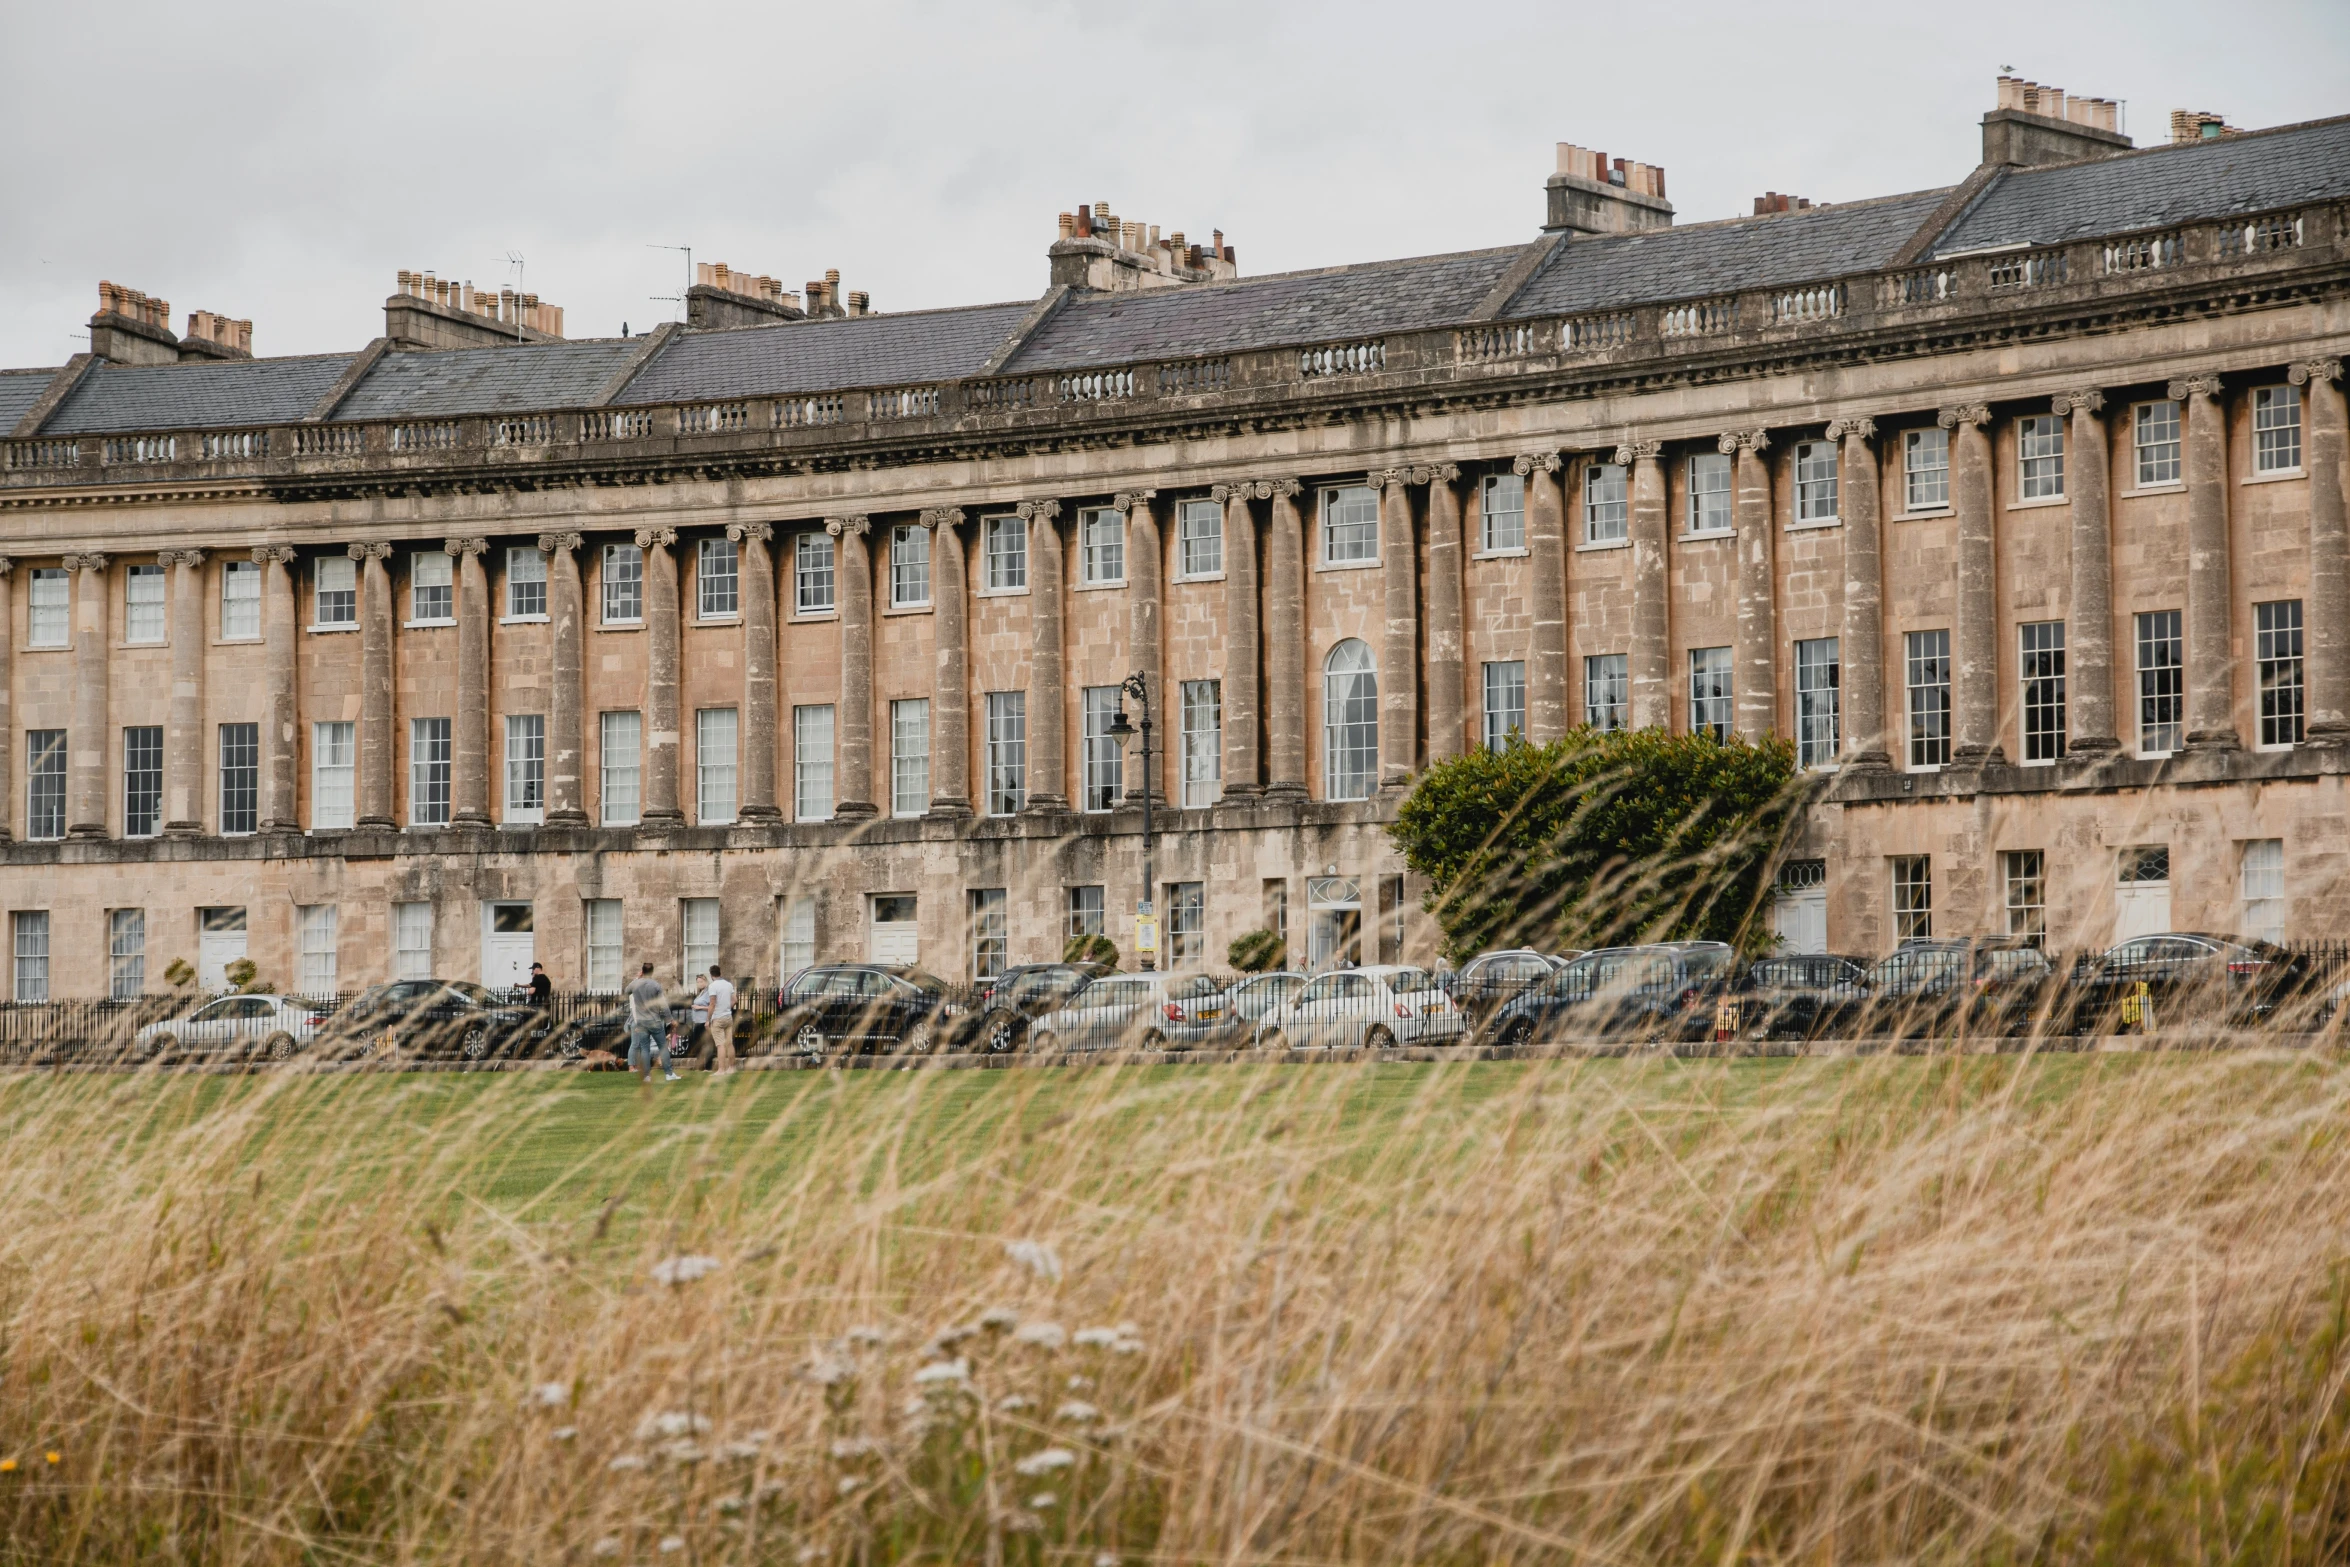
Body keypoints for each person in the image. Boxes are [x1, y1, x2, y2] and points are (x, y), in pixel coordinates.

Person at [625, 962, 671, 1084]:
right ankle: (669, 1073)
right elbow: (663, 1004)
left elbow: (626, 990)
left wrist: (637, 979)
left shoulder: (636, 984)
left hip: (641, 1021)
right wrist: (669, 1019)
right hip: (654, 1020)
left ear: (642, 971)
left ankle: (646, 1076)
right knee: (662, 1046)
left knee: (644, 1049)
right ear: (652, 971)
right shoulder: (655, 985)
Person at [704, 964, 737, 1074]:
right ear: (720, 973)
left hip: (718, 1017)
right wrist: (727, 1008)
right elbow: (734, 1000)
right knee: (729, 1043)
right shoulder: (728, 984)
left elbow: (712, 1003)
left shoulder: (713, 986)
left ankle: (721, 1069)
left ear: (711, 975)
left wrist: (708, 1019)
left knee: (720, 1044)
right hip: (728, 1016)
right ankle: (732, 1068)